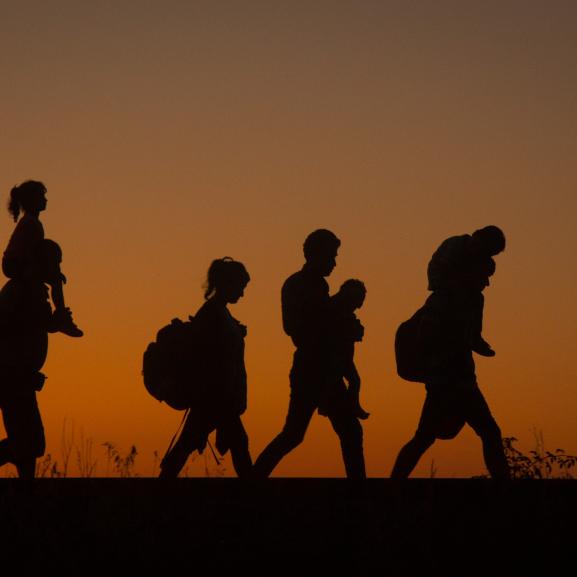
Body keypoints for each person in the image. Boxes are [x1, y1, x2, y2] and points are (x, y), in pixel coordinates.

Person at [390, 236, 509, 479]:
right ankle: (394, 483)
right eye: (484, 277)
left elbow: (471, 337)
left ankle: (504, 485)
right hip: (446, 381)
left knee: (480, 433)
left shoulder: (470, 302)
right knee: (431, 437)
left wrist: (474, 343)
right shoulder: (442, 301)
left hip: (460, 379)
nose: (486, 283)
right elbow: (428, 337)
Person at [252, 230, 366, 479]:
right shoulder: (298, 284)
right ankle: (253, 479)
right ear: (316, 255)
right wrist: (339, 320)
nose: (334, 263)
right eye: (331, 256)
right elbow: (295, 327)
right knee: (294, 434)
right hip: (311, 369)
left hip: (325, 369)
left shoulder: (318, 286)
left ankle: (359, 488)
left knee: (348, 431)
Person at [159, 257, 252, 478]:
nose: (241, 293)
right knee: (238, 442)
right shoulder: (212, 313)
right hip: (214, 395)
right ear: (227, 284)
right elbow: (209, 354)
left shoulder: (219, 312)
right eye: (240, 286)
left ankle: (163, 479)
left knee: (189, 441)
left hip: (215, 395)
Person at [0, 239, 63, 478]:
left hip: (19, 378)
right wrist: (20, 373)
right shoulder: (20, 290)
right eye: (54, 264)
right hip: (12, 378)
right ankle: (26, 501)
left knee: (29, 443)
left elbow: (43, 323)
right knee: (28, 443)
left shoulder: (31, 290)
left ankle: (26, 497)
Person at [3, 180, 83, 337]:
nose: (45, 200)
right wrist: (45, 272)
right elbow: (30, 253)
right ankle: (60, 316)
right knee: (55, 280)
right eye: (42, 196)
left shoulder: (31, 222)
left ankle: (60, 316)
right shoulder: (31, 223)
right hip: (17, 265)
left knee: (54, 273)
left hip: (17, 263)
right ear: (33, 200)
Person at [427, 225, 505, 357]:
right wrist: (462, 281)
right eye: (487, 251)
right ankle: (472, 337)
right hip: (444, 282)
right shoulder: (456, 245)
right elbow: (444, 267)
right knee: (469, 299)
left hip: (459, 285)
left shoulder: (481, 259)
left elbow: (481, 279)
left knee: (477, 299)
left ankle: (474, 336)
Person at [320, 278, 369, 420]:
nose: (358, 306)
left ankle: (351, 405)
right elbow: (335, 332)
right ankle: (337, 404)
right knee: (348, 380)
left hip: (343, 357)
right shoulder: (335, 308)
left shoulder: (344, 310)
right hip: (334, 358)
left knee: (355, 381)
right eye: (358, 301)